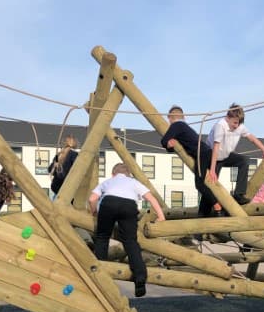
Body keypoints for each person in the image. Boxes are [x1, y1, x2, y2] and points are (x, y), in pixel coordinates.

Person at [89, 163, 165, 298]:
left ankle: (100, 275)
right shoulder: (133, 182)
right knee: (130, 241)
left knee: (102, 238)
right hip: (128, 206)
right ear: (128, 174)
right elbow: (151, 198)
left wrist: (94, 211)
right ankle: (140, 276)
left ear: (113, 174)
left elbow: (92, 198)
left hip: (108, 203)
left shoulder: (108, 182)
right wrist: (161, 216)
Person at [160, 105, 218, 217]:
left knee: (199, 185)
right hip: (206, 152)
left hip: (201, 154)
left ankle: (217, 206)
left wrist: (167, 144)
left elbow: (163, 140)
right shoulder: (184, 127)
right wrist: (170, 147)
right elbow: (179, 147)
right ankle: (206, 211)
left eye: (169, 119)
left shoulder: (176, 125)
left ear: (170, 117)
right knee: (207, 184)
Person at [207, 103, 264, 204]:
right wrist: (212, 170)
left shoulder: (239, 126)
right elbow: (216, 147)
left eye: (239, 123)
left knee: (243, 161)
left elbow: (252, 138)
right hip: (213, 156)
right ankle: (205, 209)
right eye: (235, 123)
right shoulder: (220, 125)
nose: (236, 126)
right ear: (228, 118)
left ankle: (238, 195)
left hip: (226, 155)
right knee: (211, 183)